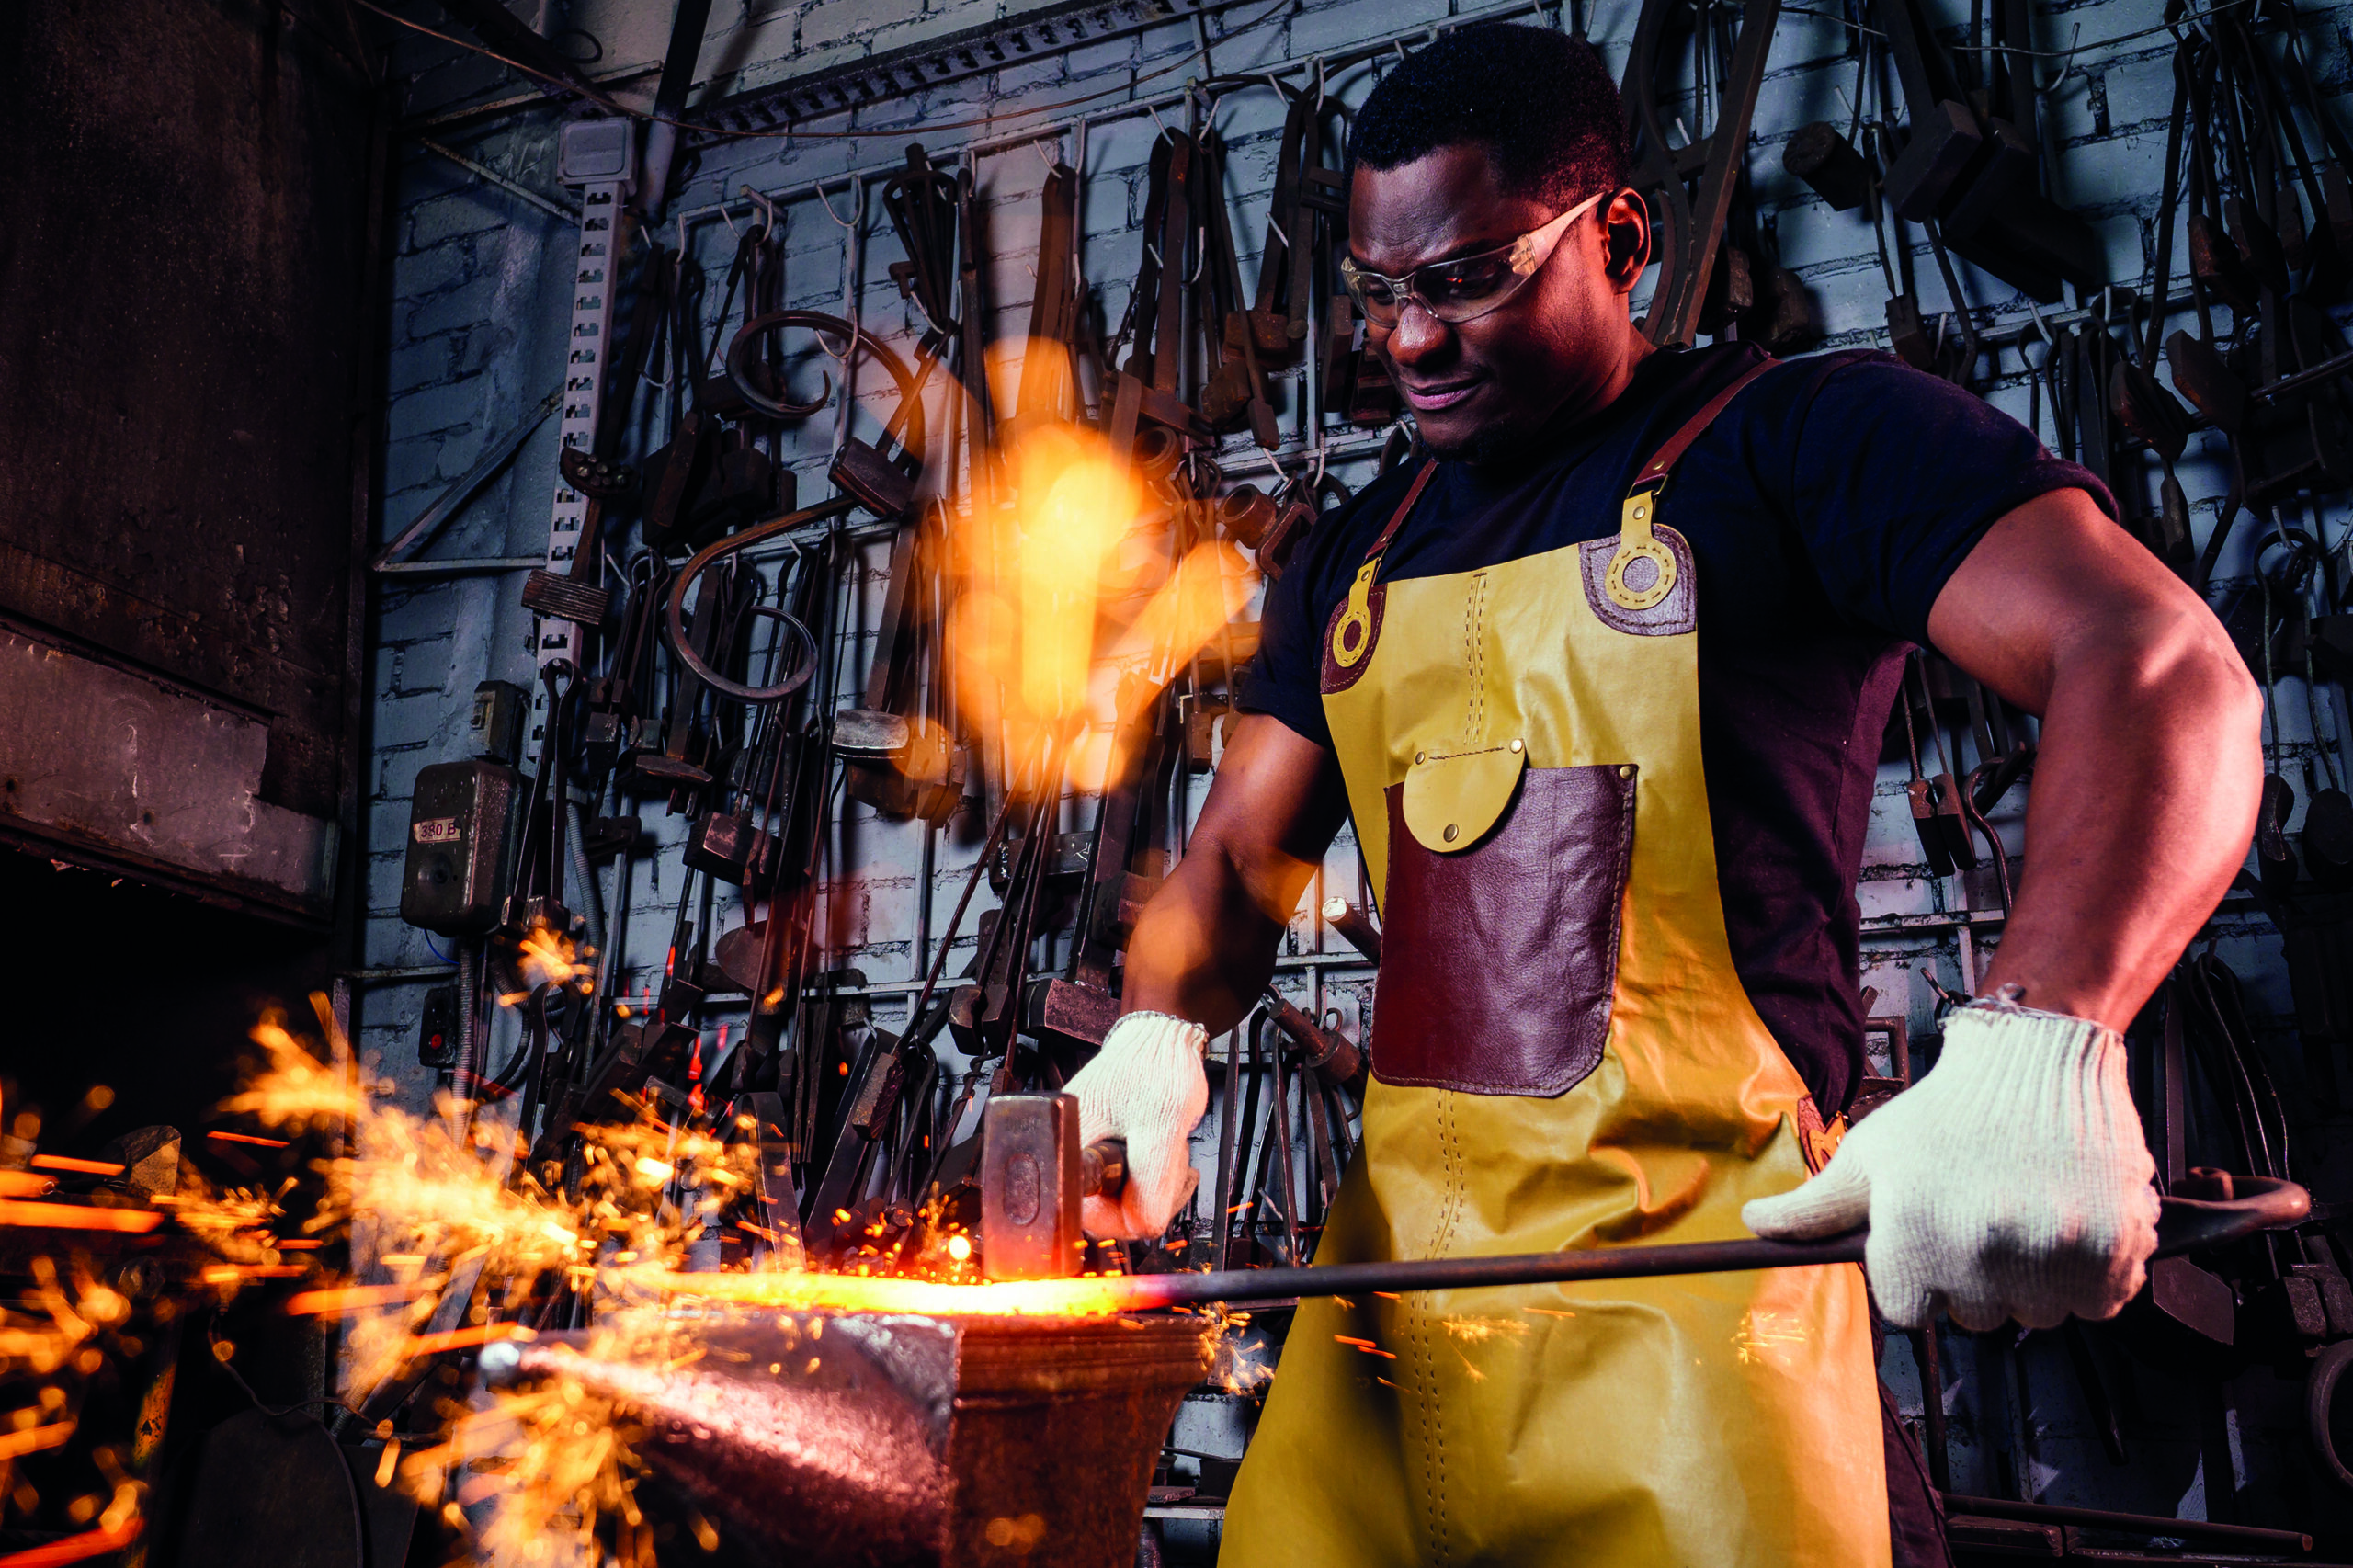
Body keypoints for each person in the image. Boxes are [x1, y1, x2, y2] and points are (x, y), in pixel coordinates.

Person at [1064, 23, 2261, 1567]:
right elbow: (1233, 863)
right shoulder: (1352, 560)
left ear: (1619, 237)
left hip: (1713, 1339)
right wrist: (1153, 1038)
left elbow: (2158, 662)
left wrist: (2044, 1037)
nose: (1412, 340)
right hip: (1389, 1340)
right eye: (1381, 293)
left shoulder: (1802, 445)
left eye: (1469, 277)